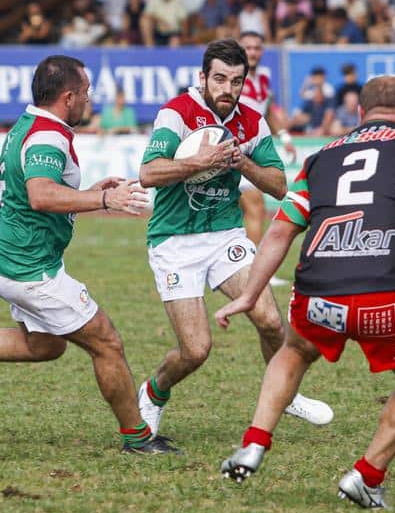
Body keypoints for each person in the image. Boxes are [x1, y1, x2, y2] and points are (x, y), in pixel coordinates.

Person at [217, 75, 395, 509]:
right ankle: (366, 476)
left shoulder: (322, 157)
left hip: (316, 294)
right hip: (383, 296)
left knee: (293, 352)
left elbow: (279, 231)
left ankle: (254, 443)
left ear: (358, 114)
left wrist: (249, 293)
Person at [0, 55, 177, 455]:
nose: (89, 100)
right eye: (86, 93)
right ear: (68, 97)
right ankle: (137, 437)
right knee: (106, 341)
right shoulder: (48, 137)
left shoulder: (31, 124)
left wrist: (90, 193)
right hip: (27, 268)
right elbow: (40, 194)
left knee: (45, 345)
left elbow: (40, 187)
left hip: (12, 258)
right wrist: (104, 198)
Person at [135, 39, 333, 439]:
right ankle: (154, 393)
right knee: (195, 350)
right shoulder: (177, 113)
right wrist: (199, 162)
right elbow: (149, 173)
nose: (228, 89)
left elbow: (279, 185)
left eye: (236, 81)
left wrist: (242, 160)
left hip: (225, 235)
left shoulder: (252, 122)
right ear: (203, 78)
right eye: (220, 79)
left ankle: (286, 393)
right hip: (174, 242)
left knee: (271, 320)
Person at [236, 32, 294, 248]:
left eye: (257, 48)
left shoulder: (263, 80)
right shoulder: (232, 79)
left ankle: (241, 264)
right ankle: (254, 267)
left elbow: (267, 112)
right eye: (247, 48)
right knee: (256, 207)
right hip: (235, 151)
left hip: (253, 151)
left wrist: (285, 137)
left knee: (244, 211)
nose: (252, 52)